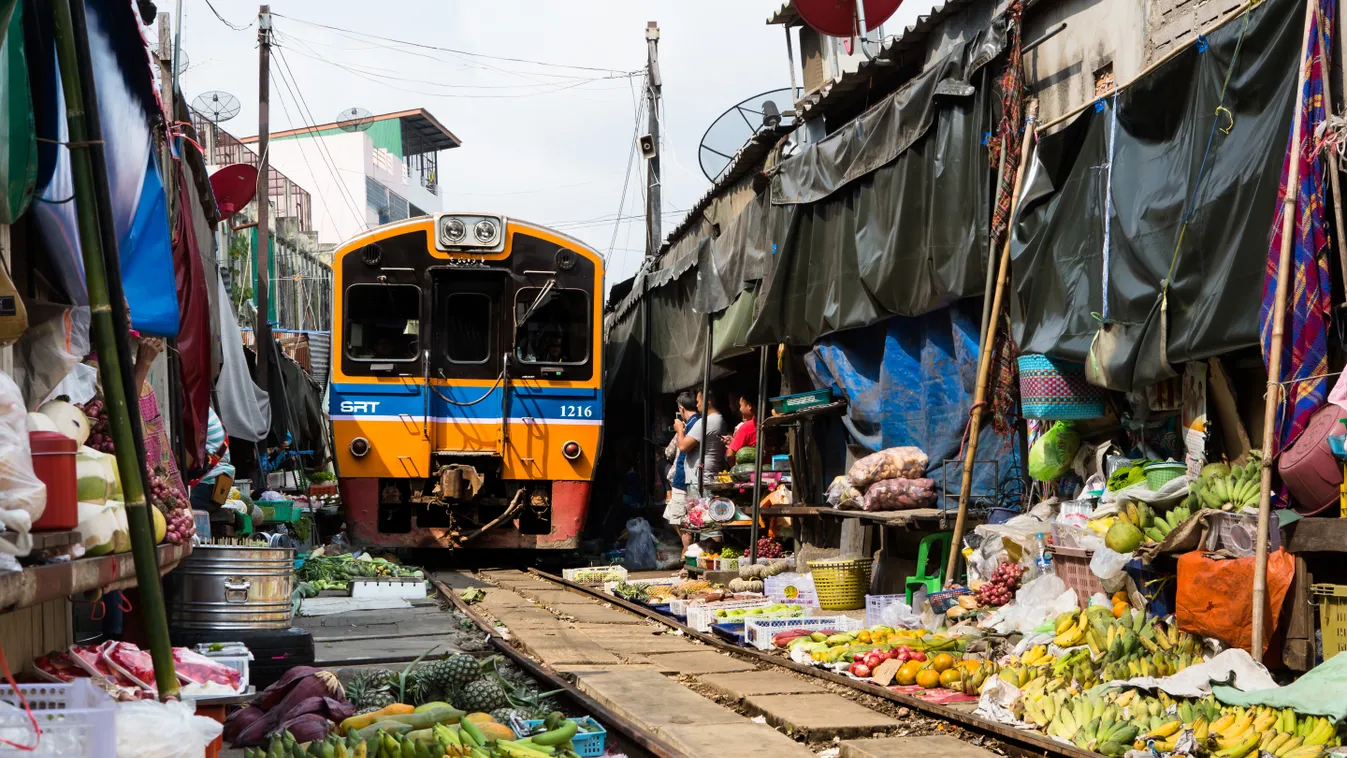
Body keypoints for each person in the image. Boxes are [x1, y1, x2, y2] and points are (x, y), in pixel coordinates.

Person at [189, 406, 235, 532]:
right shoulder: (199, 407)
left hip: (207, 485)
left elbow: (186, 460)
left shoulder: (193, 412)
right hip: (217, 483)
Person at [664, 392, 699, 556]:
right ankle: (688, 551)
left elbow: (681, 450)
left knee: (681, 520)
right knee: (675, 517)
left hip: (683, 478)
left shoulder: (691, 425)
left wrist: (679, 430)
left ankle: (687, 553)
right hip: (686, 478)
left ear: (681, 409)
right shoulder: (696, 423)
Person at [679, 389, 728, 499]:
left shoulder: (708, 421)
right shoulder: (719, 419)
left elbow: (683, 446)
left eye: (698, 401)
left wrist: (679, 430)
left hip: (700, 480)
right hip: (705, 477)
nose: (697, 405)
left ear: (707, 402)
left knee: (700, 512)